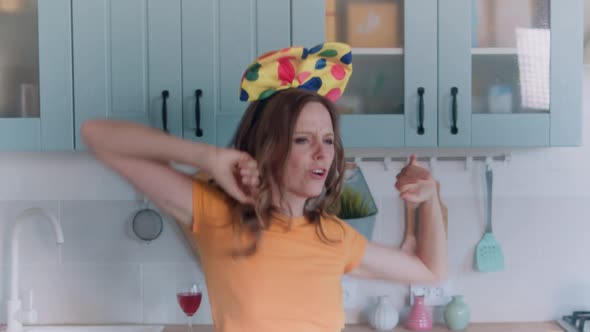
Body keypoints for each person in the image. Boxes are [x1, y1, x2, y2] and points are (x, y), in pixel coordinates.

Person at [81, 42, 447, 332]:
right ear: (269, 147)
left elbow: (429, 270)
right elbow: (97, 136)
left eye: (329, 140)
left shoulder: (333, 235)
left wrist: (430, 199)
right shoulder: (217, 214)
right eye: (303, 140)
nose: (323, 153)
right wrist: (207, 157)